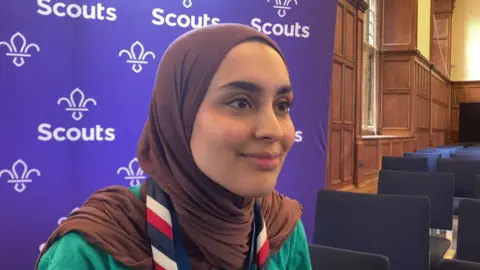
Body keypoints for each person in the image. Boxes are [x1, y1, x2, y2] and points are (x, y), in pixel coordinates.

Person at [36, 23, 312, 270]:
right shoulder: (94, 250)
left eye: (282, 105)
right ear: (177, 116)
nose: (274, 130)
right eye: (241, 102)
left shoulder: (282, 228)